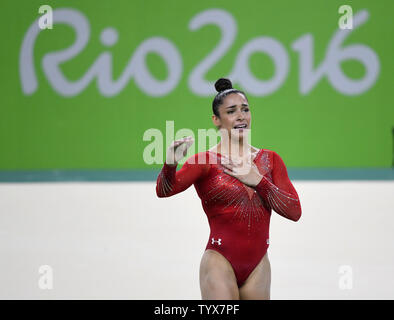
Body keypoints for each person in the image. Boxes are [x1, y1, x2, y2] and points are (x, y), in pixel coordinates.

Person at [156, 78, 301, 300]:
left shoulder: (270, 160)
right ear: (216, 119)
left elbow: (294, 212)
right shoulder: (204, 161)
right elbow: (164, 190)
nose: (241, 116)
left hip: (258, 264)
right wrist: (170, 164)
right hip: (219, 260)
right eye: (231, 111)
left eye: (245, 109)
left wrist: (258, 181)